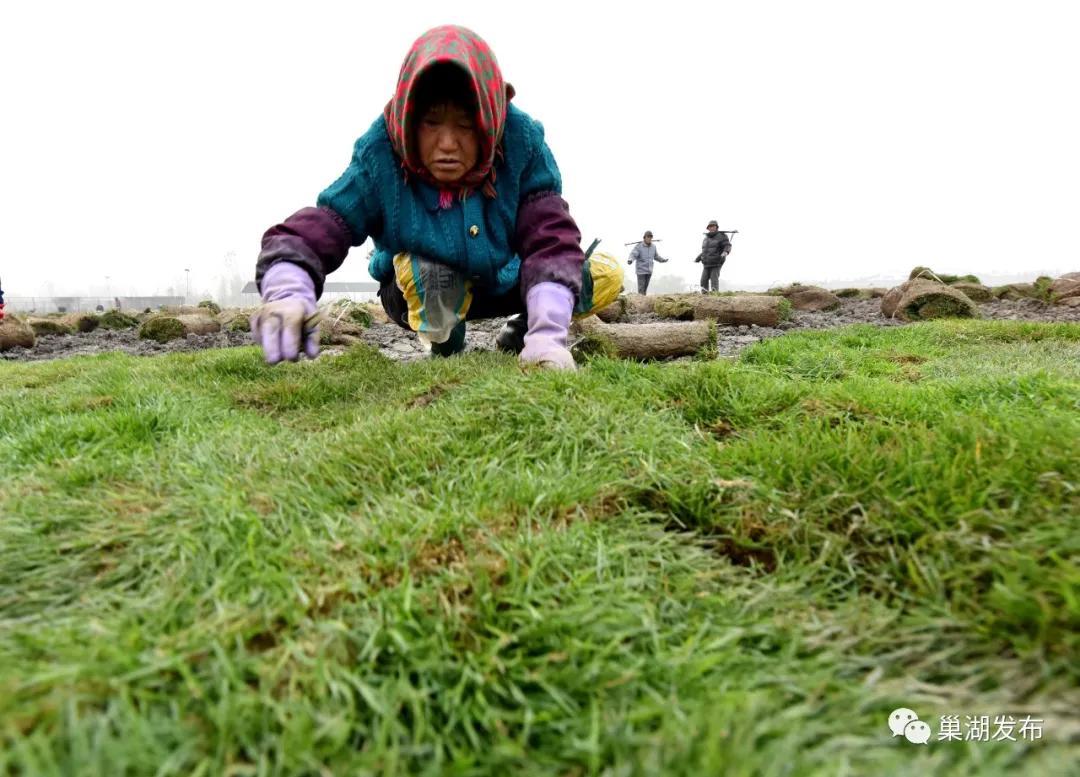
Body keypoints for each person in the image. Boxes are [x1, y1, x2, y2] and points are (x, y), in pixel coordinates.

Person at [252, 25, 619, 370]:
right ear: (409, 118)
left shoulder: (520, 142)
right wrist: (288, 285)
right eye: (431, 123)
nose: (447, 144)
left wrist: (549, 333)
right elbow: (325, 224)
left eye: (464, 125)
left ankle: (527, 334)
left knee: (601, 273)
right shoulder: (381, 153)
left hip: (503, 280)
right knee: (427, 271)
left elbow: (549, 235)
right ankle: (444, 340)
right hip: (418, 288)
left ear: (489, 120)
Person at [694, 220, 731, 293]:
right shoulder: (706, 238)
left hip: (717, 261)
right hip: (706, 263)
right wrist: (698, 258)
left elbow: (727, 245)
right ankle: (705, 296)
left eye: (713, 226)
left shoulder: (722, 236)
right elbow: (705, 251)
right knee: (703, 280)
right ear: (708, 228)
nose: (711, 228)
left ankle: (714, 295)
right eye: (709, 227)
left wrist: (725, 252)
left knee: (714, 279)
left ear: (716, 227)